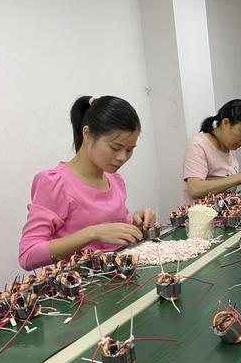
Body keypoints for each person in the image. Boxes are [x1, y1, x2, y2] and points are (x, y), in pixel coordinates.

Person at [19, 96, 154, 271]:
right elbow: (28, 255)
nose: (122, 157)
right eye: (115, 148)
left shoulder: (115, 180)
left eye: (129, 150)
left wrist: (136, 226)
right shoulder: (55, 183)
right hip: (81, 285)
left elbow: (113, 237)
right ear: (87, 134)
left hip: (121, 278)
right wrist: (92, 233)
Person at [184, 99, 241, 203]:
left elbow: (221, 178)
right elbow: (195, 189)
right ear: (225, 123)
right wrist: (239, 178)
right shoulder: (198, 146)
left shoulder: (228, 146)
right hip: (205, 212)